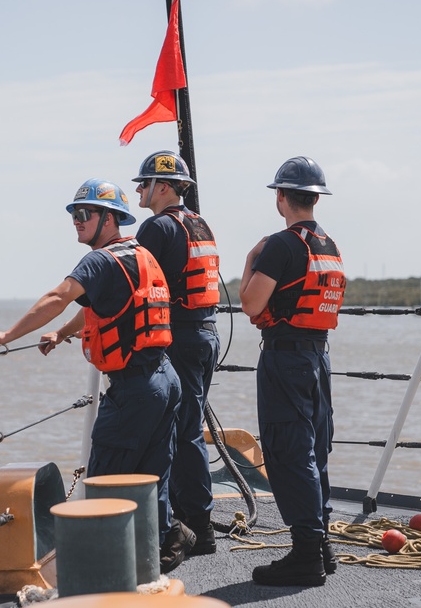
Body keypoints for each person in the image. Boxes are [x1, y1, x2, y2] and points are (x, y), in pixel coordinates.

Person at [0, 178, 196, 573]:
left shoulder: (99, 261)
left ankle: (101, 578)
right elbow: (98, 306)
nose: (76, 221)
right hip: (165, 379)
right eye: (74, 215)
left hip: (135, 389)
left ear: (109, 219)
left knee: (104, 484)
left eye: (84, 214)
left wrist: (6, 336)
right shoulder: (139, 254)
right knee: (151, 478)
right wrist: (62, 333)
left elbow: (59, 297)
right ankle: (157, 553)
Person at [238, 157, 346, 587]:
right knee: (315, 450)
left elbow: (250, 304)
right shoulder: (328, 244)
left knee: (288, 451)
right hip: (318, 358)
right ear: (316, 197)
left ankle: (305, 555)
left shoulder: (281, 245)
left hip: (286, 361)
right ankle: (321, 547)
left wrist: (250, 258)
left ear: (281, 197)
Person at [132, 150, 221, 556]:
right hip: (205, 334)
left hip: (181, 339)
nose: (138, 188)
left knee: (181, 432)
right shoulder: (198, 224)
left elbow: (133, 282)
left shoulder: (156, 228)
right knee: (188, 429)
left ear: (162, 187)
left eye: (144, 182)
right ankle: (192, 518)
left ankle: (198, 529)